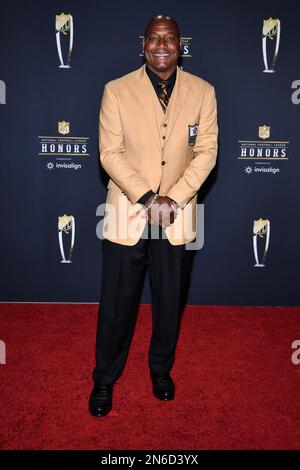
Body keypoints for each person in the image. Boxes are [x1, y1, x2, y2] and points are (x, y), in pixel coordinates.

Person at [89, 14, 218, 416]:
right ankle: (104, 379)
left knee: (169, 302)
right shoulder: (116, 90)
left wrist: (173, 199)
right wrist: (148, 198)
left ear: (181, 45)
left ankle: (161, 370)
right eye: (154, 38)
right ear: (142, 44)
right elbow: (110, 154)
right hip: (127, 211)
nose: (162, 45)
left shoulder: (203, 91)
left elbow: (207, 152)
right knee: (115, 305)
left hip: (178, 217)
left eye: (170, 39)